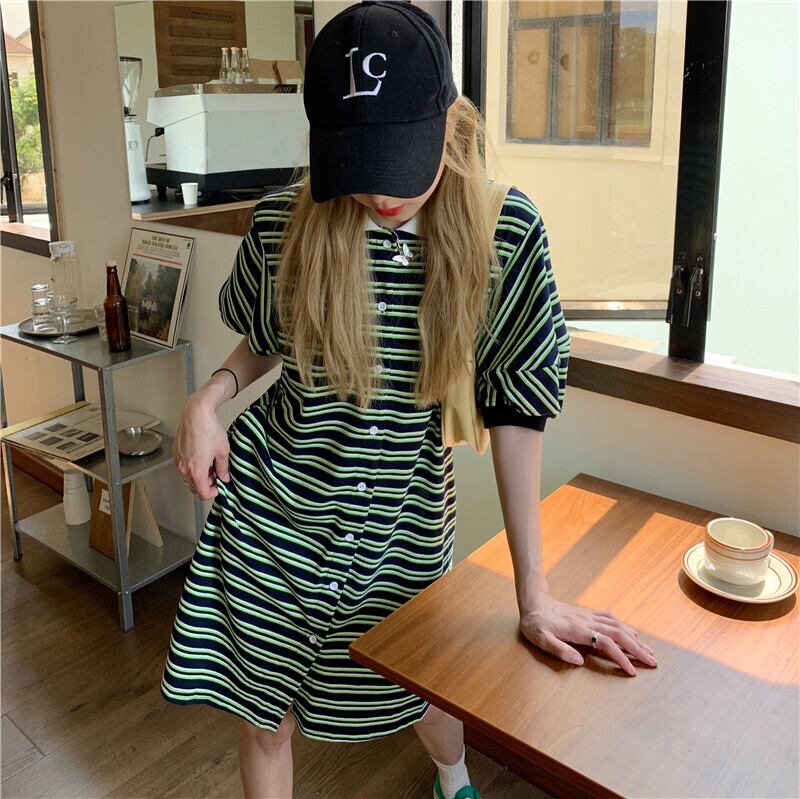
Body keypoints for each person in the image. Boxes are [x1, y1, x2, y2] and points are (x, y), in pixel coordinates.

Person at [160, 3, 658, 798]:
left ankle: (452, 780)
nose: (379, 193)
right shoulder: (289, 220)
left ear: (449, 121)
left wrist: (533, 591)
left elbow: (516, 408)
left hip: (401, 526)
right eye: (359, 165)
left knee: (428, 694)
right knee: (264, 718)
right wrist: (208, 398)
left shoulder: (505, 232)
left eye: (399, 160)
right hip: (270, 516)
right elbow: (267, 337)